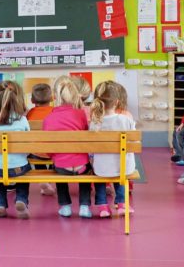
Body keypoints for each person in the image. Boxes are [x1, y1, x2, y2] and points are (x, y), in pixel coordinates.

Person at [43, 76, 92, 219]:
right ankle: (84, 206)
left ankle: (65, 206)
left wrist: (55, 156)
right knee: (87, 174)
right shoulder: (81, 114)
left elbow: (48, 148)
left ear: (56, 97)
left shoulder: (49, 118)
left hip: (61, 168)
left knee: (58, 170)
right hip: (82, 166)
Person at [0, 80, 31, 219]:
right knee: (24, 174)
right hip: (19, 168)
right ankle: (21, 199)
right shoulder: (22, 120)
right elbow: (29, 145)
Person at [90, 81, 136, 218]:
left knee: (99, 173)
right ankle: (122, 203)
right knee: (121, 168)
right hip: (124, 167)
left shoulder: (95, 122)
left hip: (101, 168)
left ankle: (103, 206)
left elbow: (90, 147)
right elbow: (134, 141)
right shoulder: (125, 119)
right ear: (116, 102)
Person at [25, 83, 55, 196]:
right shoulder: (55, 111)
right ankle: (48, 178)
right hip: (54, 152)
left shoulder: (30, 113)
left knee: (36, 147)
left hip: (36, 153)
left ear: (32, 100)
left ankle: (43, 178)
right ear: (52, 98)